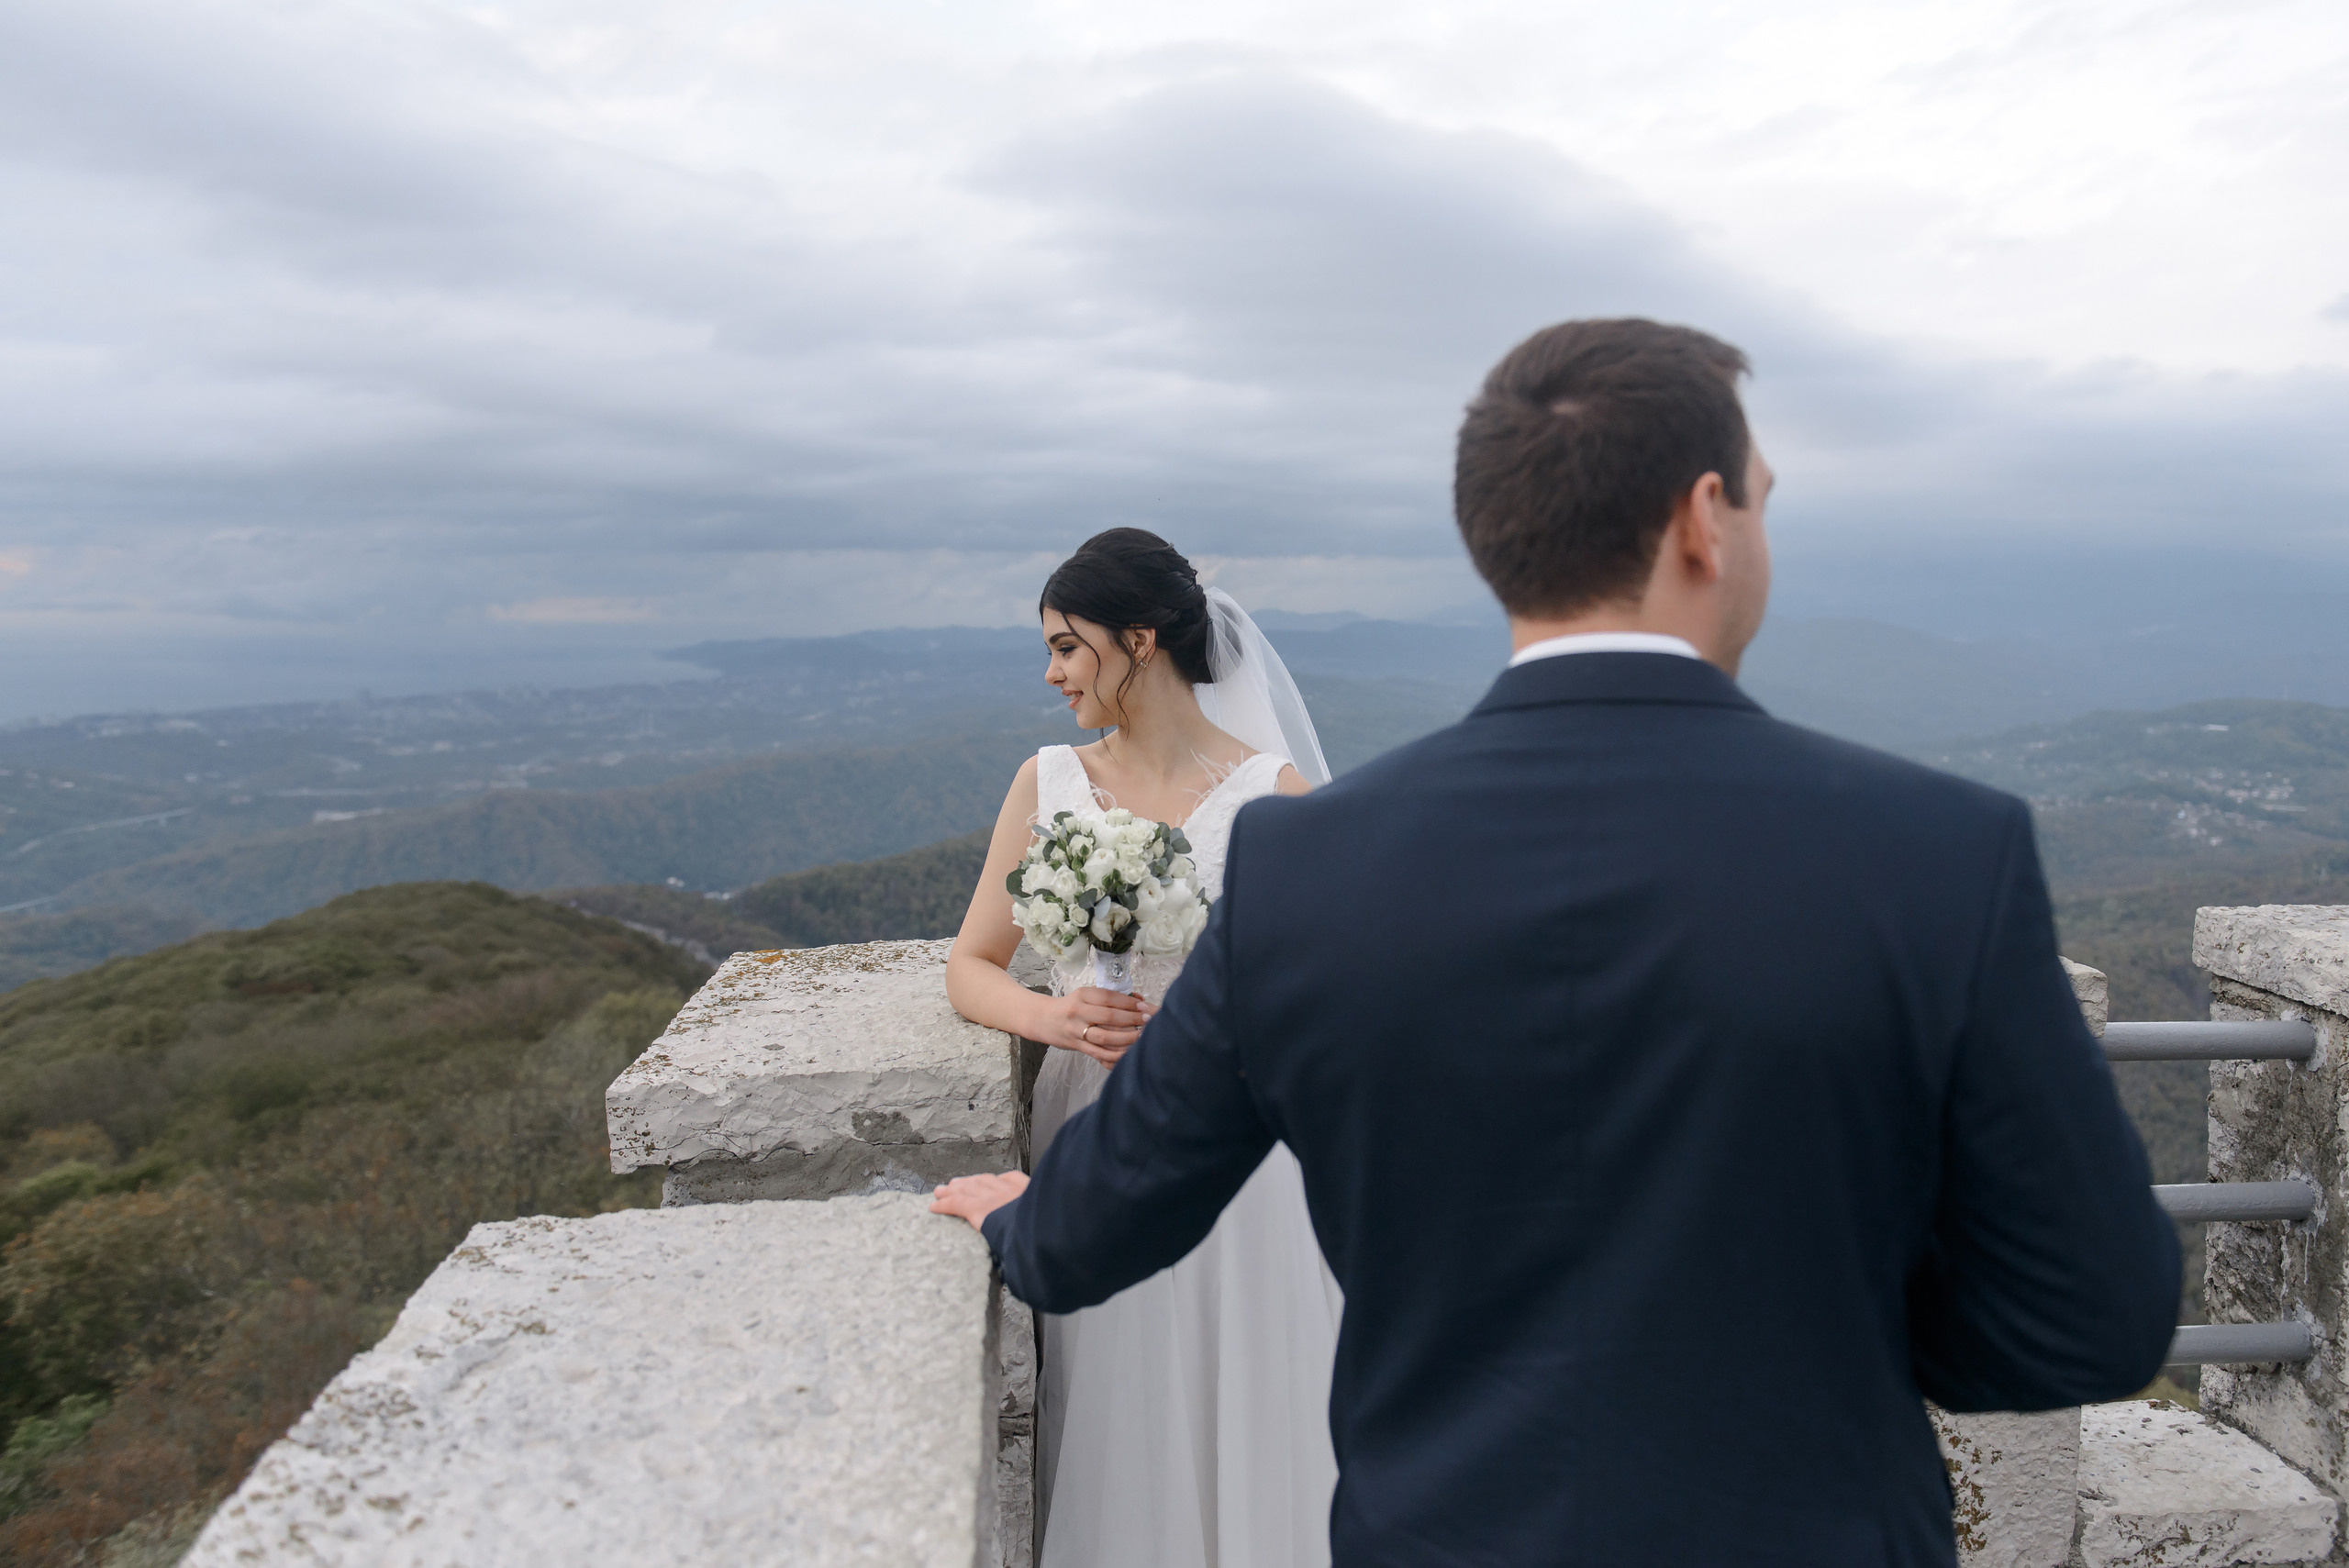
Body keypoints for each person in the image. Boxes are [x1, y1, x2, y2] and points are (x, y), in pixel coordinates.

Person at [936, 319, 2181, 1566]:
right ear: (1706, 519)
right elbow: (2099, 1317)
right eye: (1762, 502)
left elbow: (1097, 1227)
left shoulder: (1305, 868)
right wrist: (1832, 1325)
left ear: (1501, 539)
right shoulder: (1943, 854)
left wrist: (1013, 1218)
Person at [942, 527, 1344, 1568]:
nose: (1051, 671)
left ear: (1141, 637)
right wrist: (1053, 1017)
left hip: (1242, 1154)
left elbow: (1331, 993)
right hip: (1092, 1117)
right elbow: (972, 965)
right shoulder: (1048, 783)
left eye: (1068, 645)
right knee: (1123, 1401)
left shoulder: (1277, 797)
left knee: (1248, 1391)